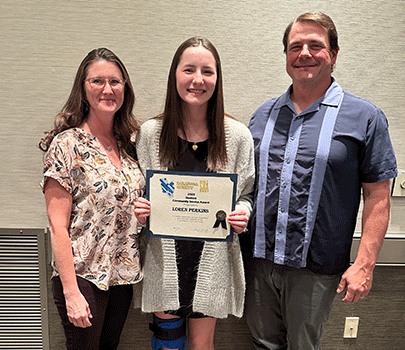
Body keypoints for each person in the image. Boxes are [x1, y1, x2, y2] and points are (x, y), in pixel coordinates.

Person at [245, 12, 397, 350]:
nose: (304, 54)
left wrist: (364, 264)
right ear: (286, 55)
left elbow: (378, 198)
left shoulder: (365, 117)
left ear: (334, 54)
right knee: (262, 345)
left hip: (316, 268)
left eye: (316, 45)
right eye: (295, 46)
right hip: (258, 261)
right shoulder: (262, 116)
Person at [134, 36, 255, 350]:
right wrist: (140, 210)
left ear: (218, 78)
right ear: (175, 74)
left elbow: (246, 194)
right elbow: (137, 193)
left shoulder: (238, 137)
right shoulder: (150, 134)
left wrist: (243, 212)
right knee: (167, 344)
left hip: (211, 263)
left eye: (207, 71)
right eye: (189, 70)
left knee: (202, 347)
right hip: (165, 262)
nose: (198, 79)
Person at [39, 48, 145, 350]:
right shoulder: (67, 144)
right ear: (83, 89)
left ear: (125, 87)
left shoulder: (130, 146)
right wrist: (72, 293)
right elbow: (57, 227)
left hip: (121, 277)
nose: (108, 89)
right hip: (82, 276)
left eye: (115, 81)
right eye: (97, 81)